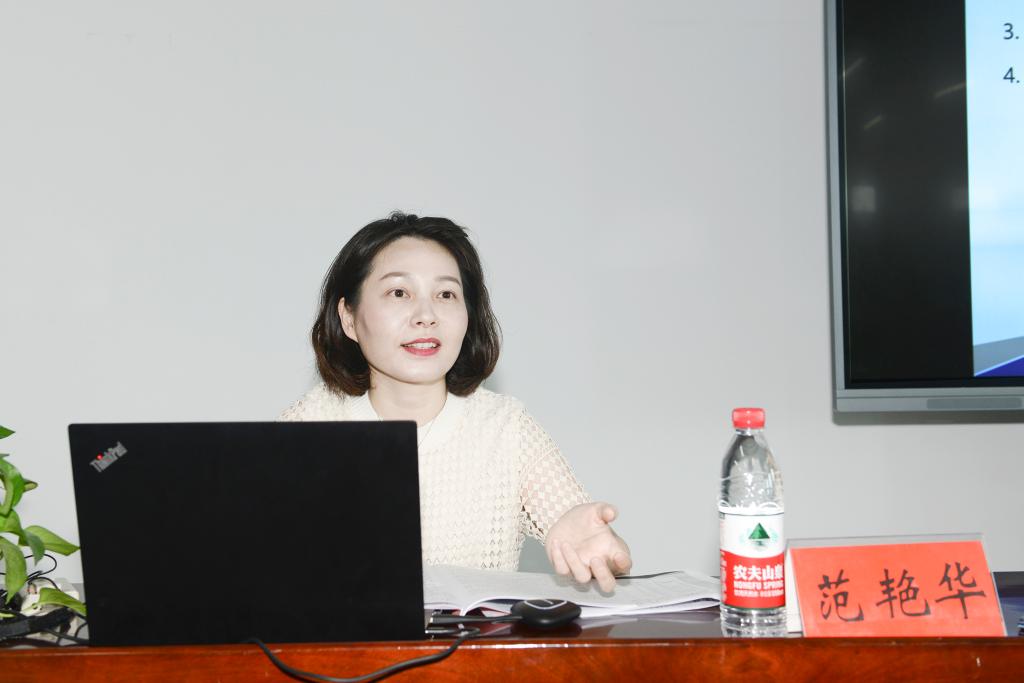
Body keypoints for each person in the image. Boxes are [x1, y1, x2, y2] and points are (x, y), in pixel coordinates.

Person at [280, 212, 631, 591]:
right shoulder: (307, 426)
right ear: (348, 318)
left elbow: (580, 528)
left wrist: (595, 546)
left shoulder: (506, 428)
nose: (426, 316)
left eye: (445, 294)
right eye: (399, 293)